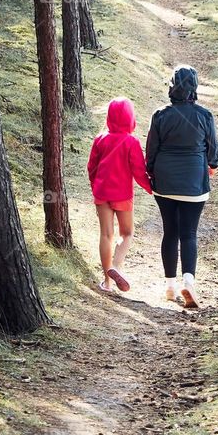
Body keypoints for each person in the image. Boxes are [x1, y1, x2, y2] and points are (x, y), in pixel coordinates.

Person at [146, 66, 218, 308]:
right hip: (194, 183)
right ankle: (188, 283)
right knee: (188, 233)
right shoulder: (204, 115)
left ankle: (170, 286)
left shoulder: (160, 115)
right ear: (194, 88)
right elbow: (213, 149)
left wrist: (152, 172)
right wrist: (212, 165)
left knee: (170, 232)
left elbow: (151, 150)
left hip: (165, 182)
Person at [87, 97, 152, 292]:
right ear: (130, 118)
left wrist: (95, 186)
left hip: (102, 193)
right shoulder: (131, 141)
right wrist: (150, 188)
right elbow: (139, 171)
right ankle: (116, 265)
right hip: (122, 195)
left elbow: (91, 167)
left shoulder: (100, 139)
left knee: (106, 234)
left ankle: (107, 282)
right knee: (127, 233)